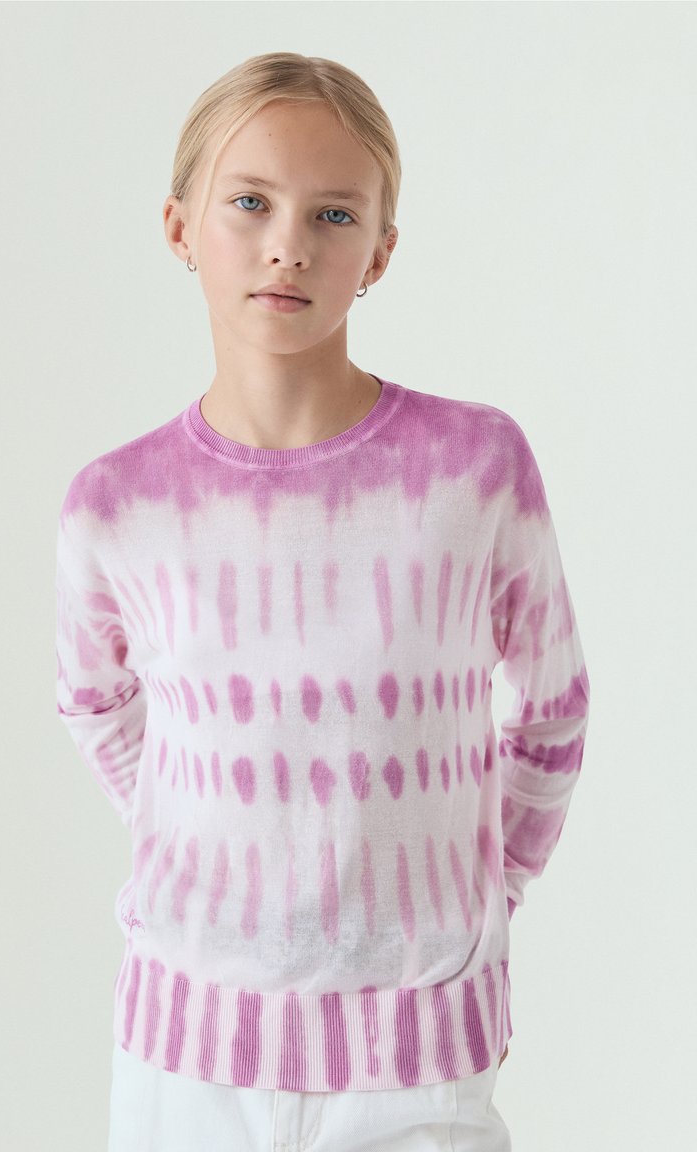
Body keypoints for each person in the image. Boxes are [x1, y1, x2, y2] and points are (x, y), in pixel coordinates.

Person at [55, 51, 589, 1152]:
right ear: (179, 227)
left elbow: (553, 710)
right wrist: (205, 834)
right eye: (249, 202)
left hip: (418, 1059)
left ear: (380, 251)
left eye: (333, 214)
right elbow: (93, 701)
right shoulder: (116, 504)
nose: (288, 244)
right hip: (181, 1063)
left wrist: (482, 895)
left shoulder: (472, 468)